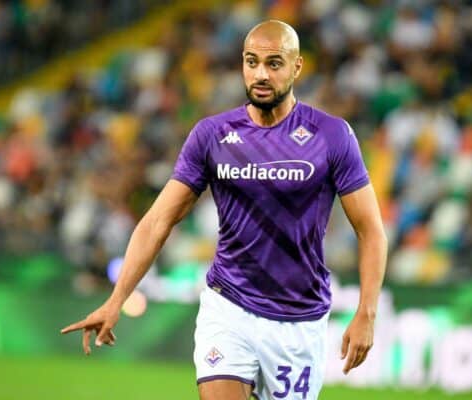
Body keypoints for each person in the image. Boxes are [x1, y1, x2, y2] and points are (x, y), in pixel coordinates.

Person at [61, 20, 388, 400]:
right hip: (229, 306)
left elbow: (371, 230)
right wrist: (116, 299)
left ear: (297, 67)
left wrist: (366, 313)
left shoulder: (331, 136)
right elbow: (157, 221)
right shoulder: (212, 135)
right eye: (251, 62)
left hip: (298, 321)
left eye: (274, 63)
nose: (260, 73)